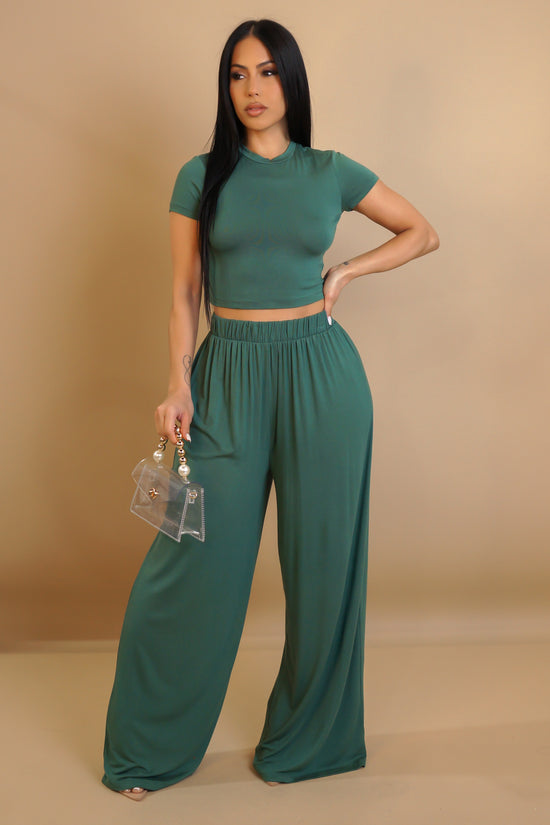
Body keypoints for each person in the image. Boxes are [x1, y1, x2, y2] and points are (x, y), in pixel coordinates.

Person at [101, 18, 439, 801]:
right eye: (237, 74)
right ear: (225, 88)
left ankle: (310, 743)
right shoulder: (200, 177)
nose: (252, 89)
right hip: (227, 375)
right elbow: (184, 291)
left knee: (324, 566)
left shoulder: (329, 170)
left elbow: (421, 232)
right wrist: (178, 382)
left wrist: (346, 272)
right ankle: (148, 750)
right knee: (189, 562)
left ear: (291, 80)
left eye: (267, 72)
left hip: (323, 377)